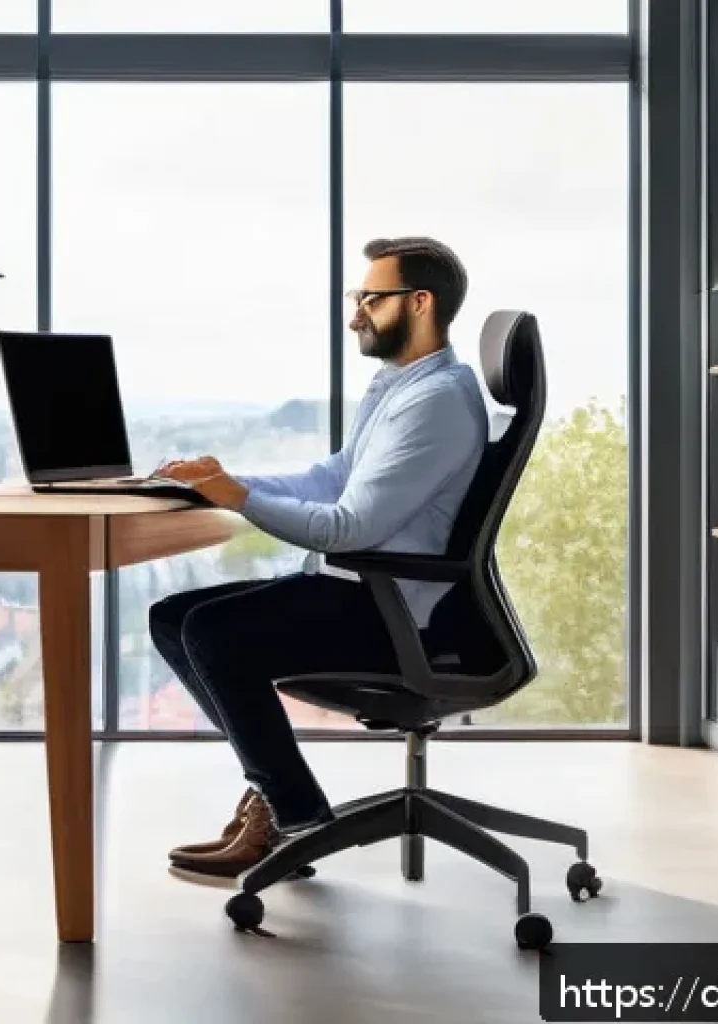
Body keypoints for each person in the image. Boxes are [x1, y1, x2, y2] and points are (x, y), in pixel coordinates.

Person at [149, 237, 488, 879]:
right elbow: (331, 477)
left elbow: (348, 526)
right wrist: (223, 480)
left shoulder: (436, 401)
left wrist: (238, 498)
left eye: (370, 297)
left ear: (420, 303)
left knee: (212, 633)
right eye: (355, 297)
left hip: (391, 611)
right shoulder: (400, 384)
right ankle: (279, 800)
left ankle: (294, 818)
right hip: (360, 589)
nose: (356, 311)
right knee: (172, 617)